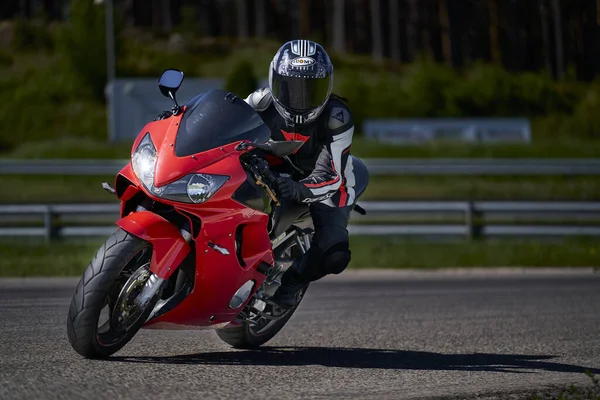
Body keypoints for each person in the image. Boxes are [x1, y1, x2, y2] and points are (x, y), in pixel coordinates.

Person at [244, 40, 357, 309]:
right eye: (292, 87)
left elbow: (332, 174)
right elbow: (224, 123)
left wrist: (300, 189)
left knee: (335, 252)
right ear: (275, 80)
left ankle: (294, 281)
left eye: (310, 89)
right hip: (269, 167)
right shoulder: (260, 102)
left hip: (322, 182)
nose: (301, 97)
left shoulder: (337, 117)